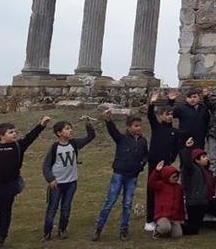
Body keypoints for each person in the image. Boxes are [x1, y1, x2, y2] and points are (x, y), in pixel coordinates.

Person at [0, 115, 49, 248]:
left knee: (5, 212)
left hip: (9, 186)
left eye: (15, 132)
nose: (14, 134)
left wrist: (41, 125)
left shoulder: (18, 146)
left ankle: (0, 237)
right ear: (2, 135)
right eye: (11, 132)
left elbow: (31, 137)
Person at [91, 110, 148, 242]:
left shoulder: (143, 141)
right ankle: (98, 228)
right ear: (129, 127)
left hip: (132, 176)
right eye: (135, 126)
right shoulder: (122, 138)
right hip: (119, 174)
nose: (138, 128)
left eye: (140, 125)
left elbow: (146, 155)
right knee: (110, 201)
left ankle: (124, 229)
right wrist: (109, 120)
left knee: (127, 204)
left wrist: (141, 164)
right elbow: (113, 131)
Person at [41, 117, 95, 240]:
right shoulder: (54, 147)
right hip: (57, 184)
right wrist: (50, 179)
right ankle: (47, 233)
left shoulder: (74, 143)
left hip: (71, 183)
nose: (71, 131)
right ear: (59, 133)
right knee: (52, 208)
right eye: (67, 129)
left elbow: (90, 137)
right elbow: (46, 165)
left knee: (66, 208)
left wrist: (88, 124)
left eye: (71, 128)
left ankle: (62, 229)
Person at [145, 90, 183, 231]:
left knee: (165, 191)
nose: (170, 116)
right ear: (161, 116)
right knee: (151, 190)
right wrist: (152, 103)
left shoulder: (175, 131)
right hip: (154, 164)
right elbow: (150, 116)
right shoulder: (157, 127)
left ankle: (164, 217)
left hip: (166, 165)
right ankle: (149, 220)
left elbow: (176, 148)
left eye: (171, 114)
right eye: (167, 114)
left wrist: (170, 160)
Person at [179, 137, 216, 235]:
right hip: (195, 203)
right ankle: (174, 227)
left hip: (206, 201)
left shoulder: (207, 171)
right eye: (203, 157)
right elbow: (186, 163)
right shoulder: (191, 170)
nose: (207, 159)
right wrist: (187, 148)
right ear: (196, 160)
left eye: (206, 156)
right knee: (193, 230)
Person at [148, 162, 185, 239]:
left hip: (174, 217)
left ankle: (167, 230)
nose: (176, 178)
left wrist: (181, 217)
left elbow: (181, 203)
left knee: (177, 235)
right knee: (165, 227)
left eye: (177, 177)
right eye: (173, 177)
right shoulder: (160, 185)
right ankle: (157, 231)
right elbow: (151, 183)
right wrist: (157, 171)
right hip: (162, 215)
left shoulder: (179, 187)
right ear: (167, 176)